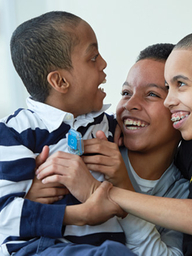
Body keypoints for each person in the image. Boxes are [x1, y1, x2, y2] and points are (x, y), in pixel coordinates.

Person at [38, 28, 192, 255]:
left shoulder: (183, 174)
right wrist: (28, 192)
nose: (171, 101)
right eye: (125, 92)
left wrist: (103, 191)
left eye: (179, 84)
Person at [29, 43, 189, 256]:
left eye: (151, 94)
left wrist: (120, 187)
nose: (130, 104)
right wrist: (28, 195)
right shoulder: (85, 150)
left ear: (179, 109)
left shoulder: (182, 193)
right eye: (126, 92)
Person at [0, 11, 135, 256]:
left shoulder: (110, 127)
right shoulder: (16, 131)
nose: (104, 64)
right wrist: (81, 215)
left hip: (104, 248)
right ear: (60, 82)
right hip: (41, 248)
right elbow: (4, 214)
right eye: (93, 58)